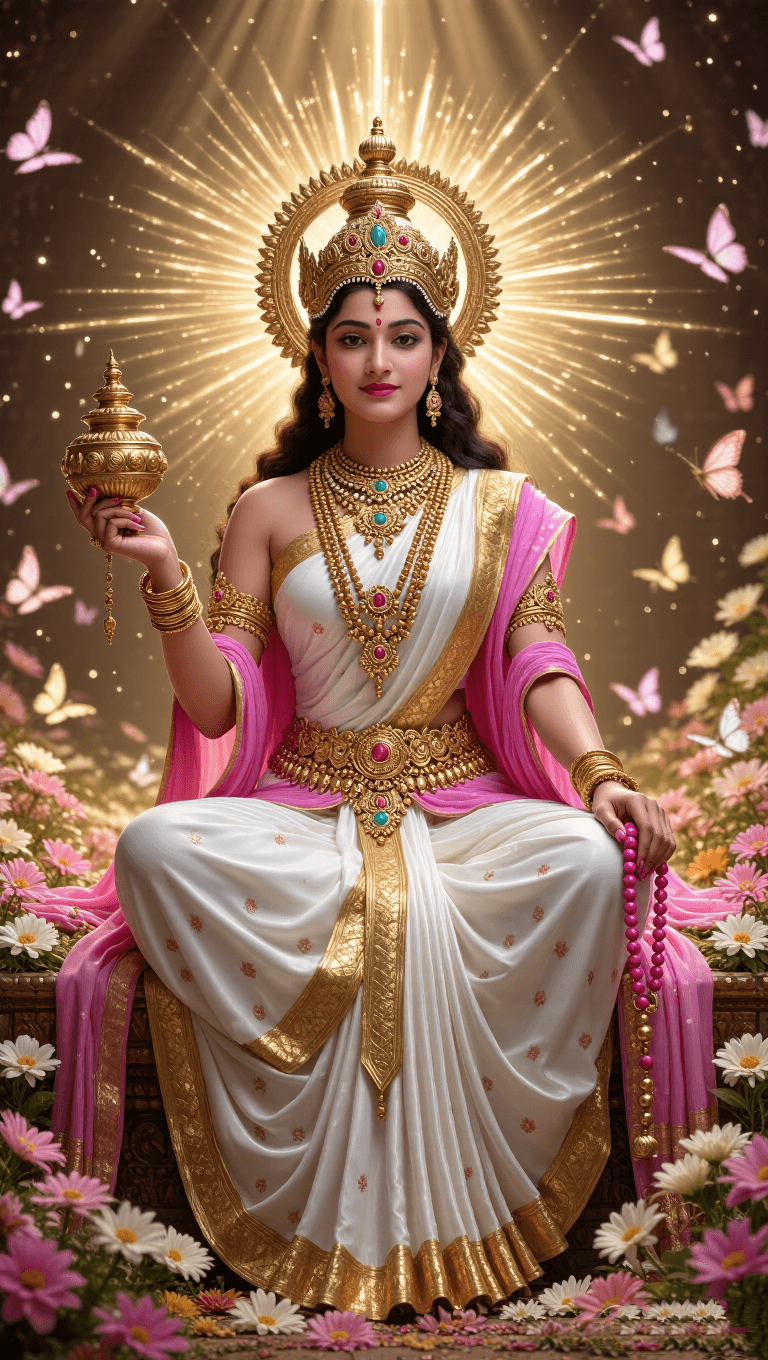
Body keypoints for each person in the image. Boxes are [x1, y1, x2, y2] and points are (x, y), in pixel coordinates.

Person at [57, 122, 680, 1318]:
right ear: (321, 355)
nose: (378, 359)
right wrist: (164, 583)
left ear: (440, 349)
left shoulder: (503, 506)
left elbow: (535, 653)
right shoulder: (267, 506)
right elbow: (219, 703)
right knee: (153, 845)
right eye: (353, 337)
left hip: (464, 811)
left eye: (403, 335)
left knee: (577, 856)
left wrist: (598, 772)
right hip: (303, 811)